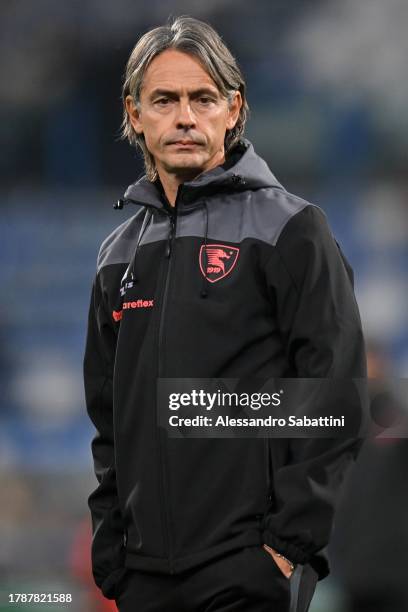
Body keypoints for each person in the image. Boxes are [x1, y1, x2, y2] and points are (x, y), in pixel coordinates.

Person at [83, 16, 366, 612]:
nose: (184, 116)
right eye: (164, 99)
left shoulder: (290, 229)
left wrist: (287, 544)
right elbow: (109, 419)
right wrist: (112, 549)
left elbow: (334, 392)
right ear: (135, 114)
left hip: (247, 569)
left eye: (202, 98)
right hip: (142, 576)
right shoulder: (116, 256)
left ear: (233, 109)